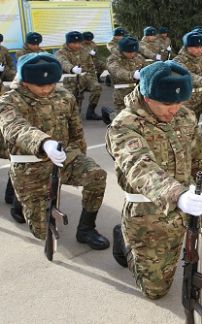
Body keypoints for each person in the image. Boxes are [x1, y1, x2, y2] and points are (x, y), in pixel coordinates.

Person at [105, 61, 202, 316]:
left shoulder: (185, 116)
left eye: (178, 102)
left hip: (190, 199)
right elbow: (139, 166)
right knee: (156, 291)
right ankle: (125, 241)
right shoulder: (124, 126)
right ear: (147, 96)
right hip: (149, 210)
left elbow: (199, 161)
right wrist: (177, 195)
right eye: (167, 104)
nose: (174, 110)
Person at [0, 53, 109, 249]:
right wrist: (44, 143)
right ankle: (20, 200)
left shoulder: (64, 97)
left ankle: (86, 229)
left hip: (63, 159)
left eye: (51, 83)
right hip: (30, 167)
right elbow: (15, 127)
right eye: (40, 85)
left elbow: (76, 133)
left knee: (96, 175)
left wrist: (80, 158)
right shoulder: (9, 101)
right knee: (42, 231)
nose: (46, 89)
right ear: (24, 82)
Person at [55, 31, 103, 120]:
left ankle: (91, 111)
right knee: (74, 103)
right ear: (68, 42)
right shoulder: (61, 52)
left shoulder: (84, 50)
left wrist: (94, 79)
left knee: (97, 87)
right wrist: (72, 69)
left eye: (79, 43)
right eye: (74, 43)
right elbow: (63, 62)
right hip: (70, 80)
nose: (77, 45)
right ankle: (70, 117)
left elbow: (90, 66)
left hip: (85, 77)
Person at [106, 36, 146, 112]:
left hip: (138, 93)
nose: (132, 54)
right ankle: (109, 114)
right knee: (122, 120)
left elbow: (146, 67)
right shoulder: (113, 59)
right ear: (122, 50)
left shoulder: (138, 57)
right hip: (122, 94)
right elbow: (117, 71)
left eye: (134, 52)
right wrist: (132, 75)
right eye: (128, 52)